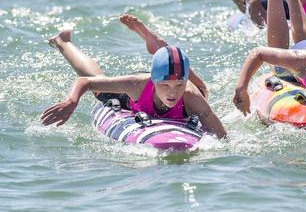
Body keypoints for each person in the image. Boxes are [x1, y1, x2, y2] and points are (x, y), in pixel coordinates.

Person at [40, 21, 227, 138]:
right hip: (136, 99)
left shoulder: (190, 96)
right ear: (154, 80)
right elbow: (84, 82)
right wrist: (72, 101)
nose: (172, 92)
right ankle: (63, 41)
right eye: (165, 85)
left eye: (179, 85)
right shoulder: (137, 84)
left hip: (186, 87)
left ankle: (163, 49)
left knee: (203, 90)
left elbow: (223, 139)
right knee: (99, 82)